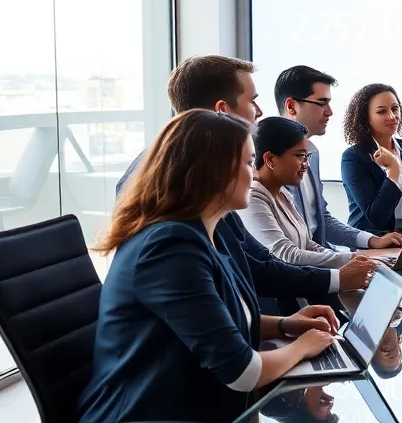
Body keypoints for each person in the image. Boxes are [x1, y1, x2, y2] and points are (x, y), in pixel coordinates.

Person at [45, 110, 341, 423]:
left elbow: (217, 321)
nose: (252, 175)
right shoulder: (169, 247)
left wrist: (285, 323)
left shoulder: (200, 234)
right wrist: (303, 347)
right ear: (213, 171)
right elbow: (242, 372)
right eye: (247, 162)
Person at [115, 55, 377, 314]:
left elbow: (254, 259)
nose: (259, 112)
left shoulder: (201, 171)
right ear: (222, 110)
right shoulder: (177, 180)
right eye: (252, 101)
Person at [274, 65, 402, 252]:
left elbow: (321, 219)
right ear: (291, 106)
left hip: (323, 256)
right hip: (300, 263)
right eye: (322, 103)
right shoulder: (268, 159)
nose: (330, 111)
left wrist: (372, 240)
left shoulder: (313, 154)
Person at [241, 118, 393, 268]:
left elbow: (308, 243)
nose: (306, 164)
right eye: (300, 156)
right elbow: (287, 255)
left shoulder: (282, 194)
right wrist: (355, 258)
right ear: (270, 159)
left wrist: (357, 258)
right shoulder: (253, 198)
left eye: (307, 156)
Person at [340, 83, 402, 235]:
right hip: (371, 241)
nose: (392, 116)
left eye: (395, 109)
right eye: (381, 111)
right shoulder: (354, 157)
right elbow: (376, 217)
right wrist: (394, 170)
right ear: (366, 118)